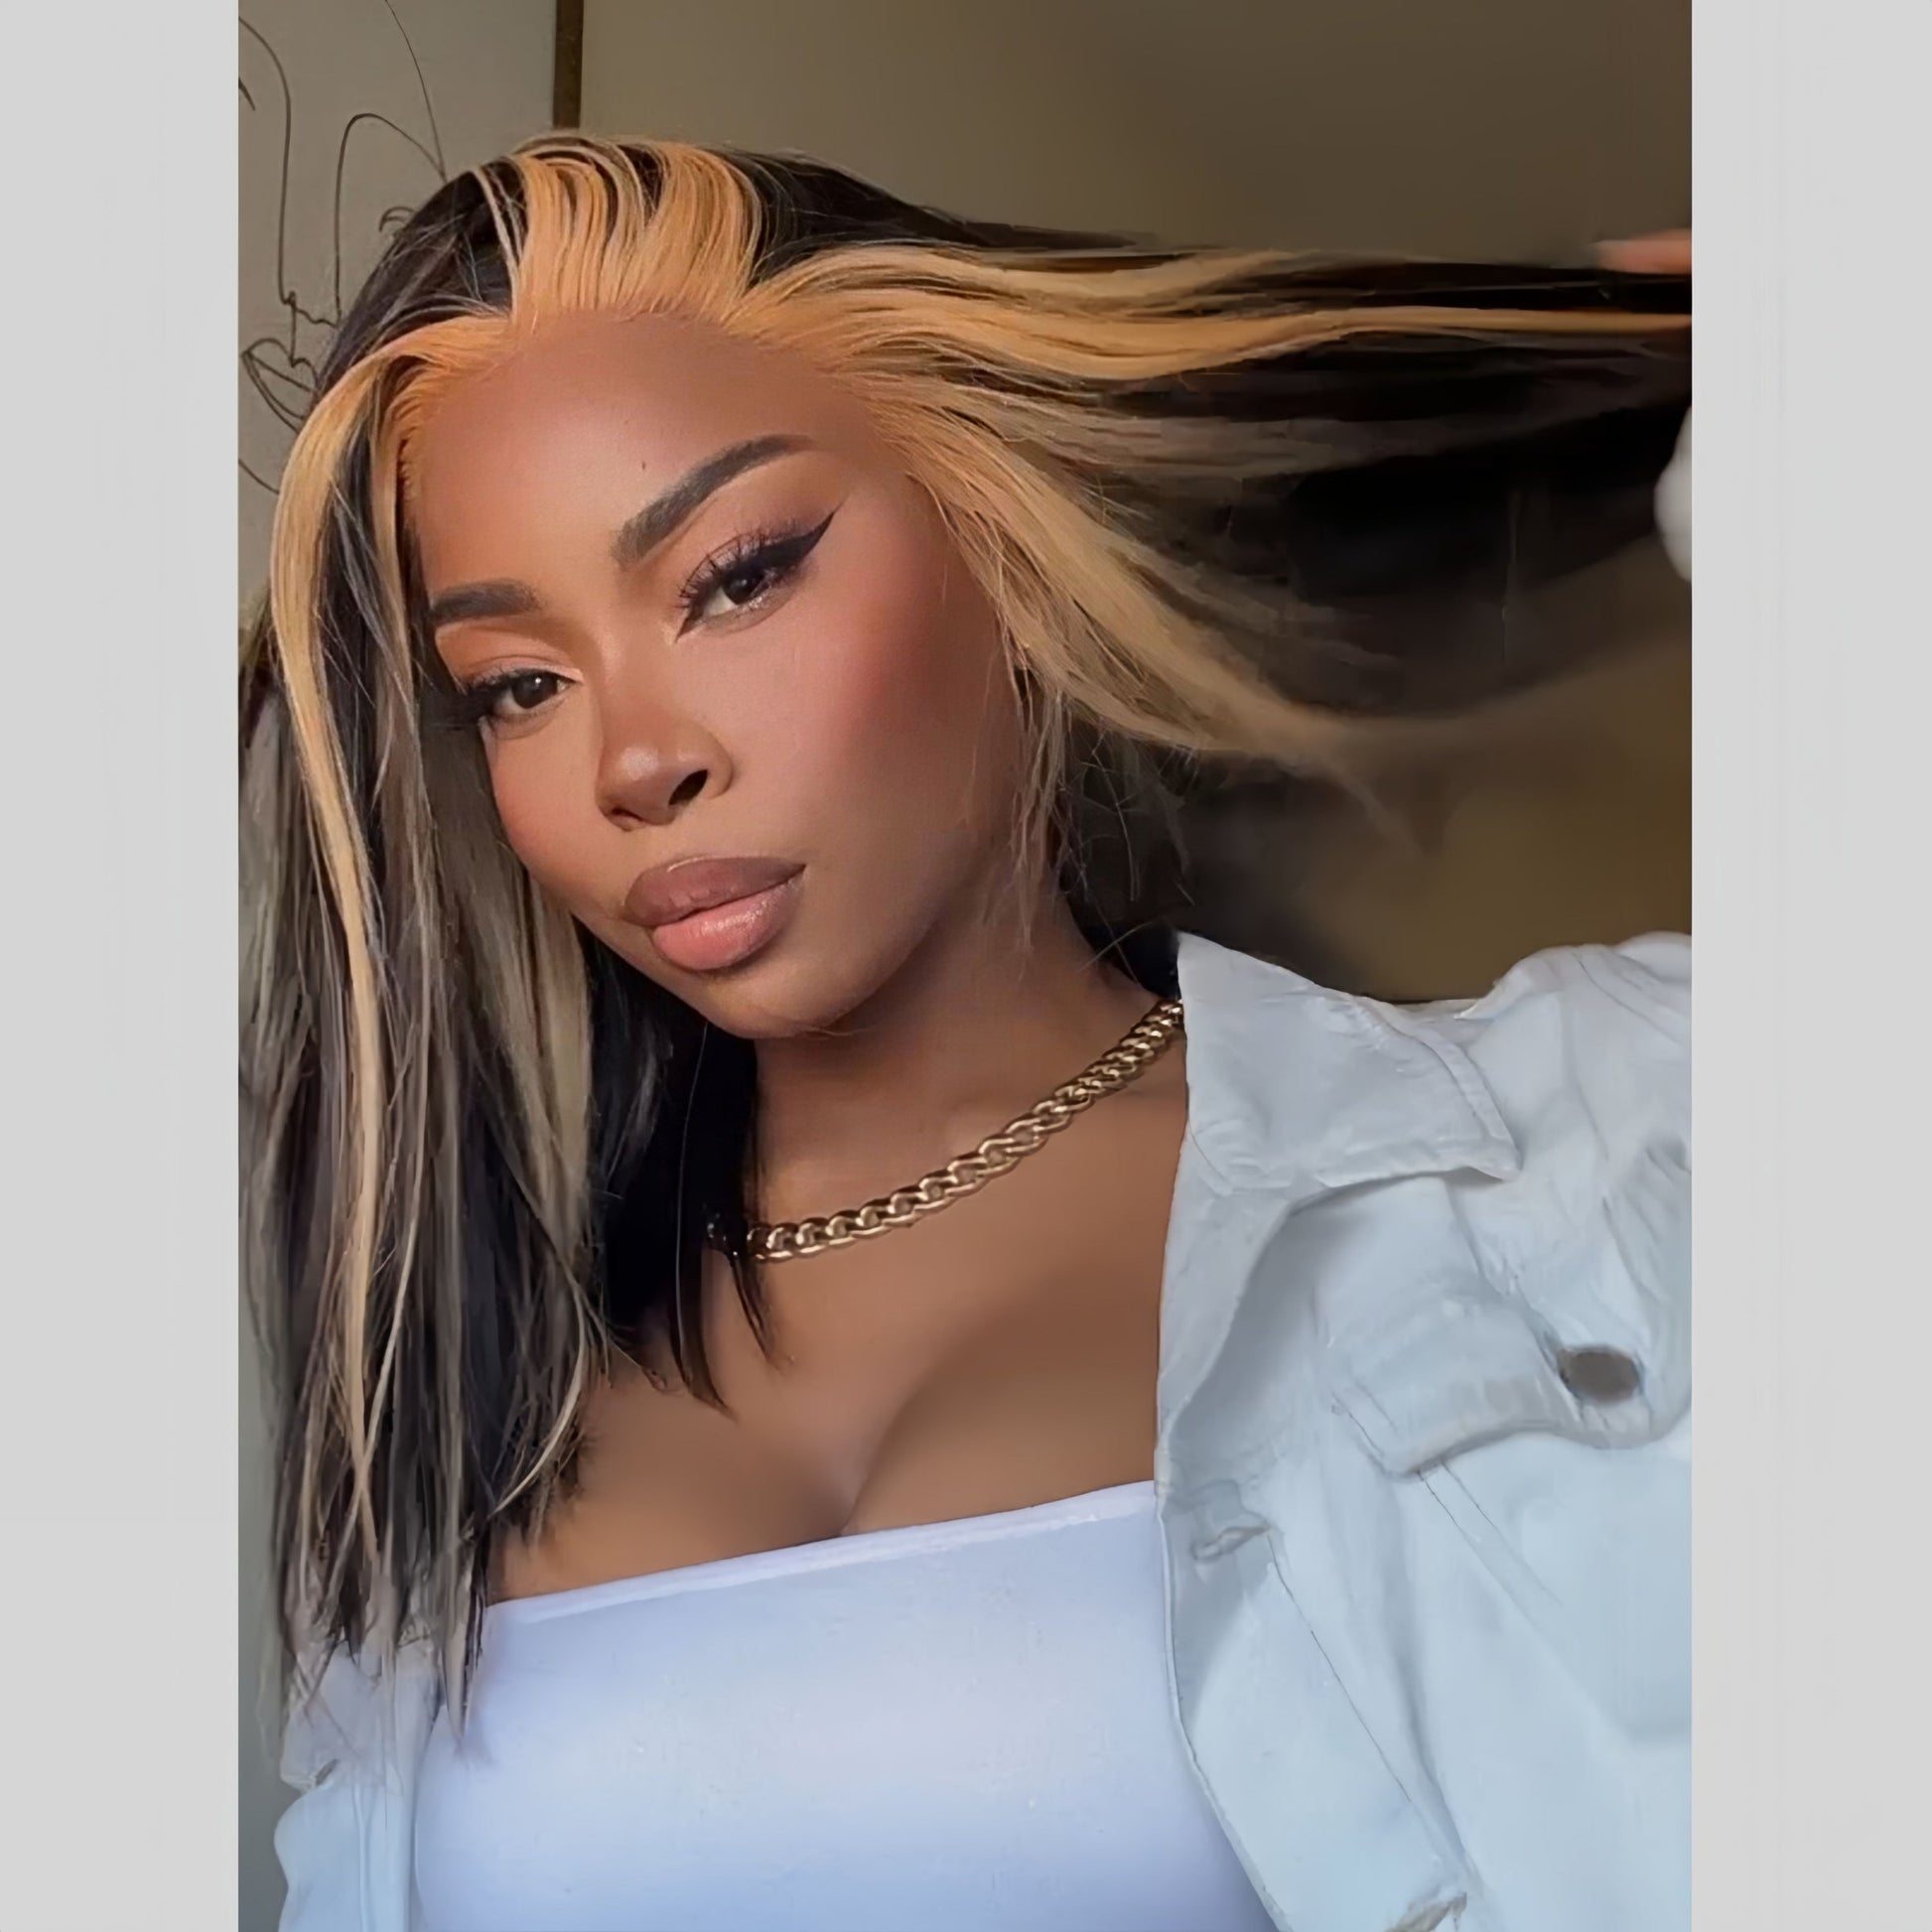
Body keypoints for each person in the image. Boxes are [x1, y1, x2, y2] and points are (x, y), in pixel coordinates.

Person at [242, 135, 1691, 1932]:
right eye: (519, 685)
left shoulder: (1580, 1143)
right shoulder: (461, 1387)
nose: (636, 759)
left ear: (1002, 536)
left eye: (737, 575)